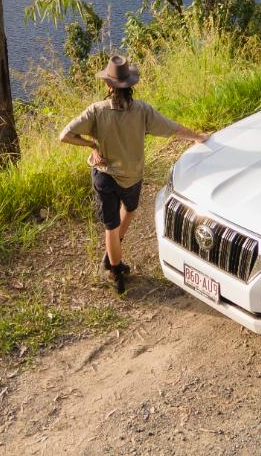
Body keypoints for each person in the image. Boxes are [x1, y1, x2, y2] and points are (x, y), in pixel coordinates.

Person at [59, 55, 208, 293]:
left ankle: (114, 270)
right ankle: (113, 259)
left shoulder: (97, 111)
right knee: (129, 210)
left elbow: (65, 135)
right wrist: (198, 137)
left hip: (105, 176)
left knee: (110, 226)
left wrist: (91, 145)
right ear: (130, 85)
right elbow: (172, 128)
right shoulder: (142, 110)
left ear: (109, 86)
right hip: (132, 176)